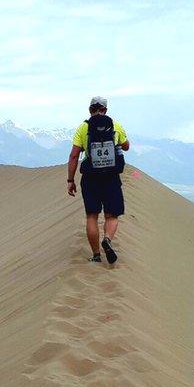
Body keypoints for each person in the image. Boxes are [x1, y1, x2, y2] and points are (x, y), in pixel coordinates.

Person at [66, 96, 130, 264]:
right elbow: (126, 146)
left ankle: (96, 255)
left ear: (90, 110)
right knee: (111, 215)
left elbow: (74, 155)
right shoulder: (115, 125)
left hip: (91, 178)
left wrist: (70, 180)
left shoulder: (83, 128)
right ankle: (107, 239)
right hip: (111, 177)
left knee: (92, 216)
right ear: (105, 110)